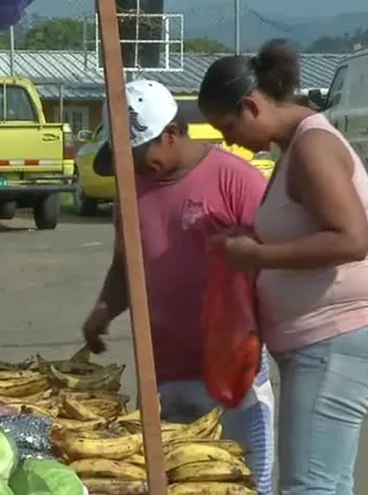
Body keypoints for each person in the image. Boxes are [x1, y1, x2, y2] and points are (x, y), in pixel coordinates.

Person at [198, 40, 368, 495]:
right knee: (326, 483)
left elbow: (351, 239)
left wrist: (258, 256)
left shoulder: (313, 146)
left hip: (340, 340)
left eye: (228, 128)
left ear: (251, 106)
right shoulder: (294, 147)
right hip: (328, 343)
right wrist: (252, 240)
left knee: (309, 487)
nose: (229, 142)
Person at [80, 79, 275, 494]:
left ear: (170, 134)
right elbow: (126, 263)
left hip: (233, 375)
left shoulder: (236, 180)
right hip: (163, 373)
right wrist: (103, 309)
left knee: (244, 481)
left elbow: (276, 266)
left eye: (138, 156)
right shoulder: (131, 191)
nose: (134, 167)